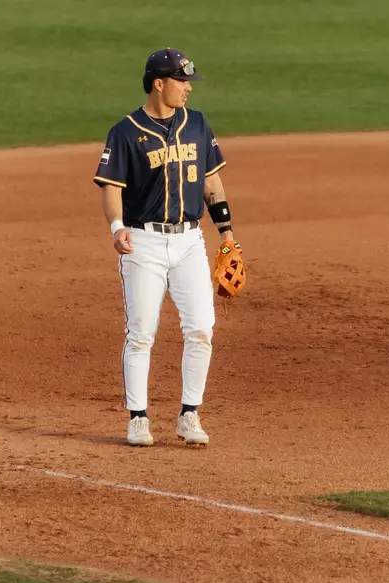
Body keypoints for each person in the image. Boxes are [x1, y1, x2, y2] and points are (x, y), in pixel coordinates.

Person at [93, 48, 239, 447]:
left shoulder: (198, 125)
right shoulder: (125, 132)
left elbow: (211, 184)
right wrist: (117, 227)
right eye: (182, 80)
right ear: (160, 83)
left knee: (201, 330)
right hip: (143, 243)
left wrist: (227, 234)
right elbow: (111, 187)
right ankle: (138, 418)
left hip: (190, 241)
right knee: (141, 334)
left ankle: (190, 414)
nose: (189, 88)